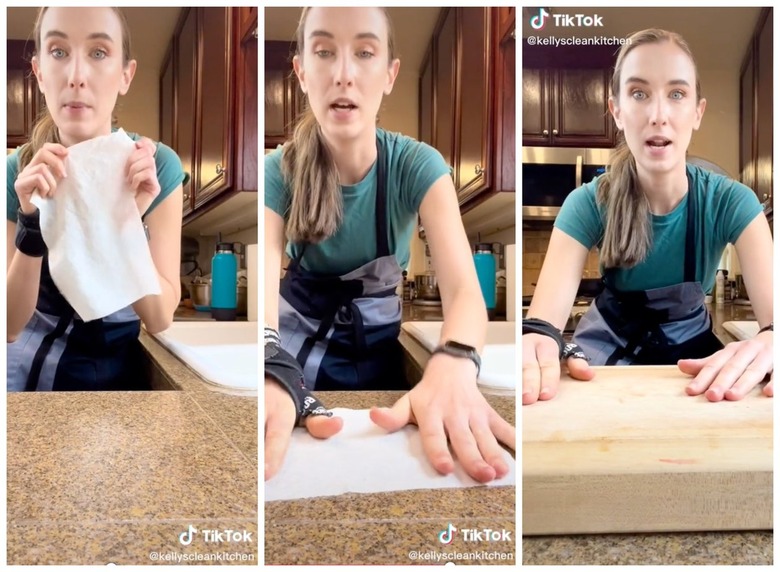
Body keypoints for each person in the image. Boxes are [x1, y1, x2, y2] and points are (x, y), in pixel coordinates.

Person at [264, 7, 515, 483]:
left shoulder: (418, 165)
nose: (343, 74)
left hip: (375, 360)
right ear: (300, 71)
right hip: (290, 353)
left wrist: (455, 361)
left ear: (389, 74)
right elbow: (263, 294)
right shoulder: (279, 170)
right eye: (323, 52)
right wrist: (269, 360)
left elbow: (464, 293)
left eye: (364, 52)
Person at [522, 29, 773, 405]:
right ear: (617, 112)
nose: (658, 115)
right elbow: (542, 325)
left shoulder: (731, 201)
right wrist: (537, 342)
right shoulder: (587, 203)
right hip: (604, 355)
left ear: (697, 112)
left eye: (676, 94)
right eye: (639, 94)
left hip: (690, 359)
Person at [7, 7, 185, 391]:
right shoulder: (16, 171)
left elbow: (158, 319)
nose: (76, 77)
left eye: (99, 53)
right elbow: (8, 325)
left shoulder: (157, 166)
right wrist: (30, 223)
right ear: (38, 73)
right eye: (58, 52)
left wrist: (126, 218)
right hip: (27, 376)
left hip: (116, 378)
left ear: (125, 75)